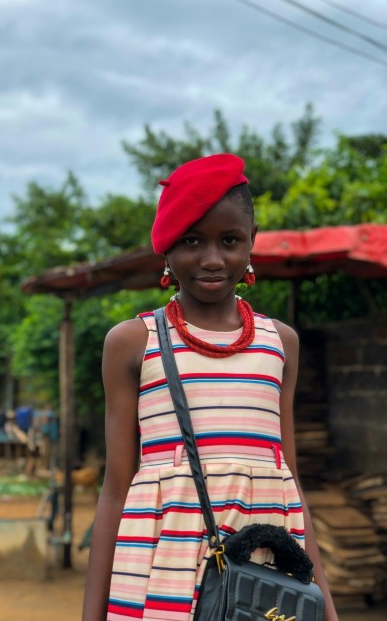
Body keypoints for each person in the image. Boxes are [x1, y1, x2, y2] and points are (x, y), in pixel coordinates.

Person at [82, 154, 338, 621]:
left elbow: (290, 482)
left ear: (251, 244)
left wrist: (327, 604)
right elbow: (116, 488)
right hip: (159, 571)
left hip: (264, 569)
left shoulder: (281, 343)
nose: (213, 258)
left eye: (230, 240)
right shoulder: (132, 343)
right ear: (165, 248)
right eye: (192, 241)